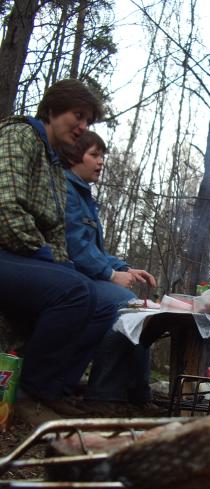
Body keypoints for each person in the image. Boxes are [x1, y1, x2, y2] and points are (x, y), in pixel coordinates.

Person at [0, 79, 117, 416]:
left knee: (100, 302)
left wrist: (61, 262)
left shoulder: (54, 166)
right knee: (76, 291)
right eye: (77, 116)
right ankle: (29, 393)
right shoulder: (18, 136)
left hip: (24, 258)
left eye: (88, 122)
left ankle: (56, 388)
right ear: (51, 110)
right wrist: (45, 256)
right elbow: (5, 208)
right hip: (7, 252)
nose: (82, 127)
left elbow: (56, 232)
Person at [59, 130, 157, 408]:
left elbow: (95, 251)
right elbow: (75, 247)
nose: (101, 162)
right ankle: (103, 394)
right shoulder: (66, 190)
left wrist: (126, 268)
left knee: (143, 310)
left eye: (103, 155)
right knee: (126, 305)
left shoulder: (85, 196)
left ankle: (138, 392)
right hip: (70, 276)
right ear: (73, 156)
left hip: (86, 274)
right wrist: (111, 275)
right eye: (94, 155)